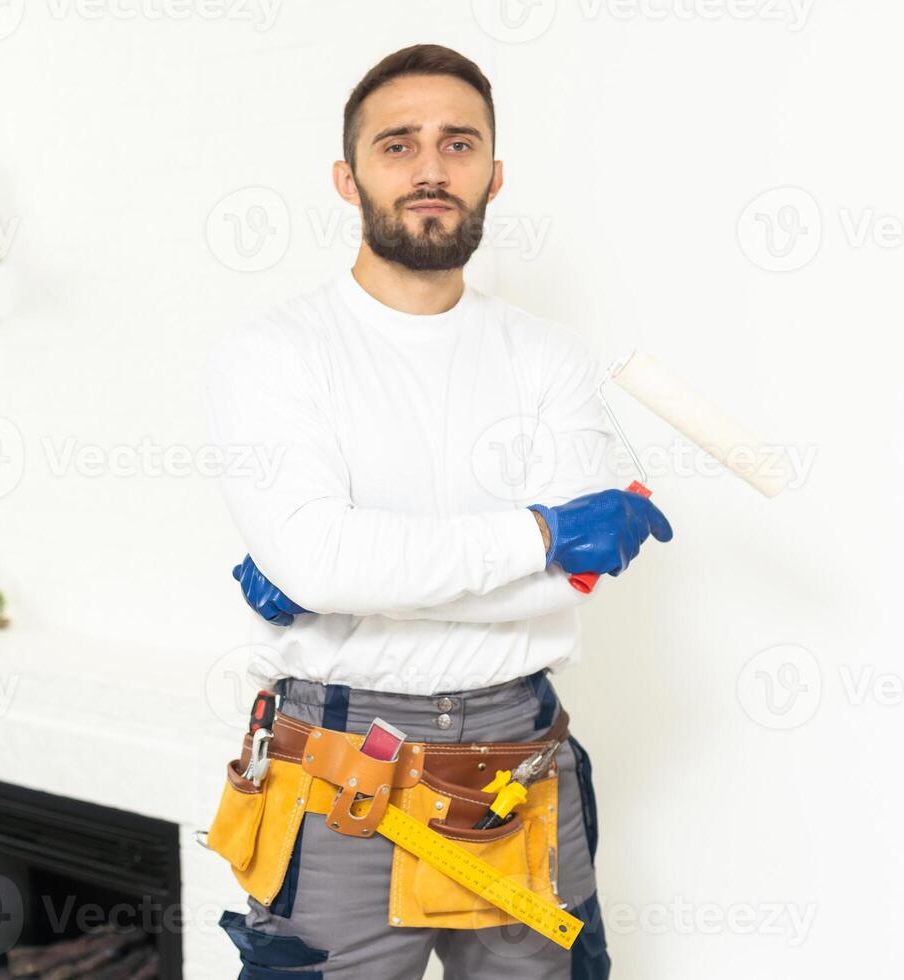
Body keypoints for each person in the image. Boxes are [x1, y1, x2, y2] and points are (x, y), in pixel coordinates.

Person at [203, 43, 672, 980]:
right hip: (343, 780)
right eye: (398, 145)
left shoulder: (550, 359)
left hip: (522, 774)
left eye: (458, 145)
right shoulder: (276, 353)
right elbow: (328, 563)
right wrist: (539, 536)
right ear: (348, 177)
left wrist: (347, 585)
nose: (430, 169)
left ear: (493, 174)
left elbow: (561, 591)